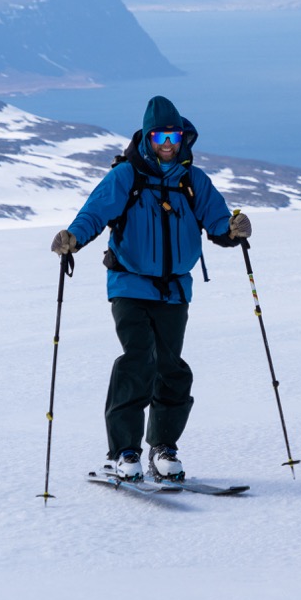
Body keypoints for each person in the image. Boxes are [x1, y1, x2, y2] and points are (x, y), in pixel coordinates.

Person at [50, 95, 251, 481]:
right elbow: (95, 212)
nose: (167, 144)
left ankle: (163, 447)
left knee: (171, 368)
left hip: (175, 290)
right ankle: (125, 452)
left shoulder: (193, 180)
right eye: (159, 135)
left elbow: (219, 221)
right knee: (139, 360)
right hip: (129, 283)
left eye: (173, 135)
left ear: (182, 136)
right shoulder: (127, 175)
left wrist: (233, 229)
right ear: (147, 136)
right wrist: (72, 238)